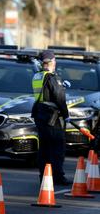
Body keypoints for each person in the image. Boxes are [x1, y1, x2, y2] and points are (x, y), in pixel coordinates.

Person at [31, 50, 71, 185]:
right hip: (51, 116)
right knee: (57, 146)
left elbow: (46, 92)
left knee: (44, 147)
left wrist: (60, 86)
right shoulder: (52, 77)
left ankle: (44, 176)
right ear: (53, 62)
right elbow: (59, 98)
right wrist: (66, 115)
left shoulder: (38, 76)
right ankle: (58, 176)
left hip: (40, 114)